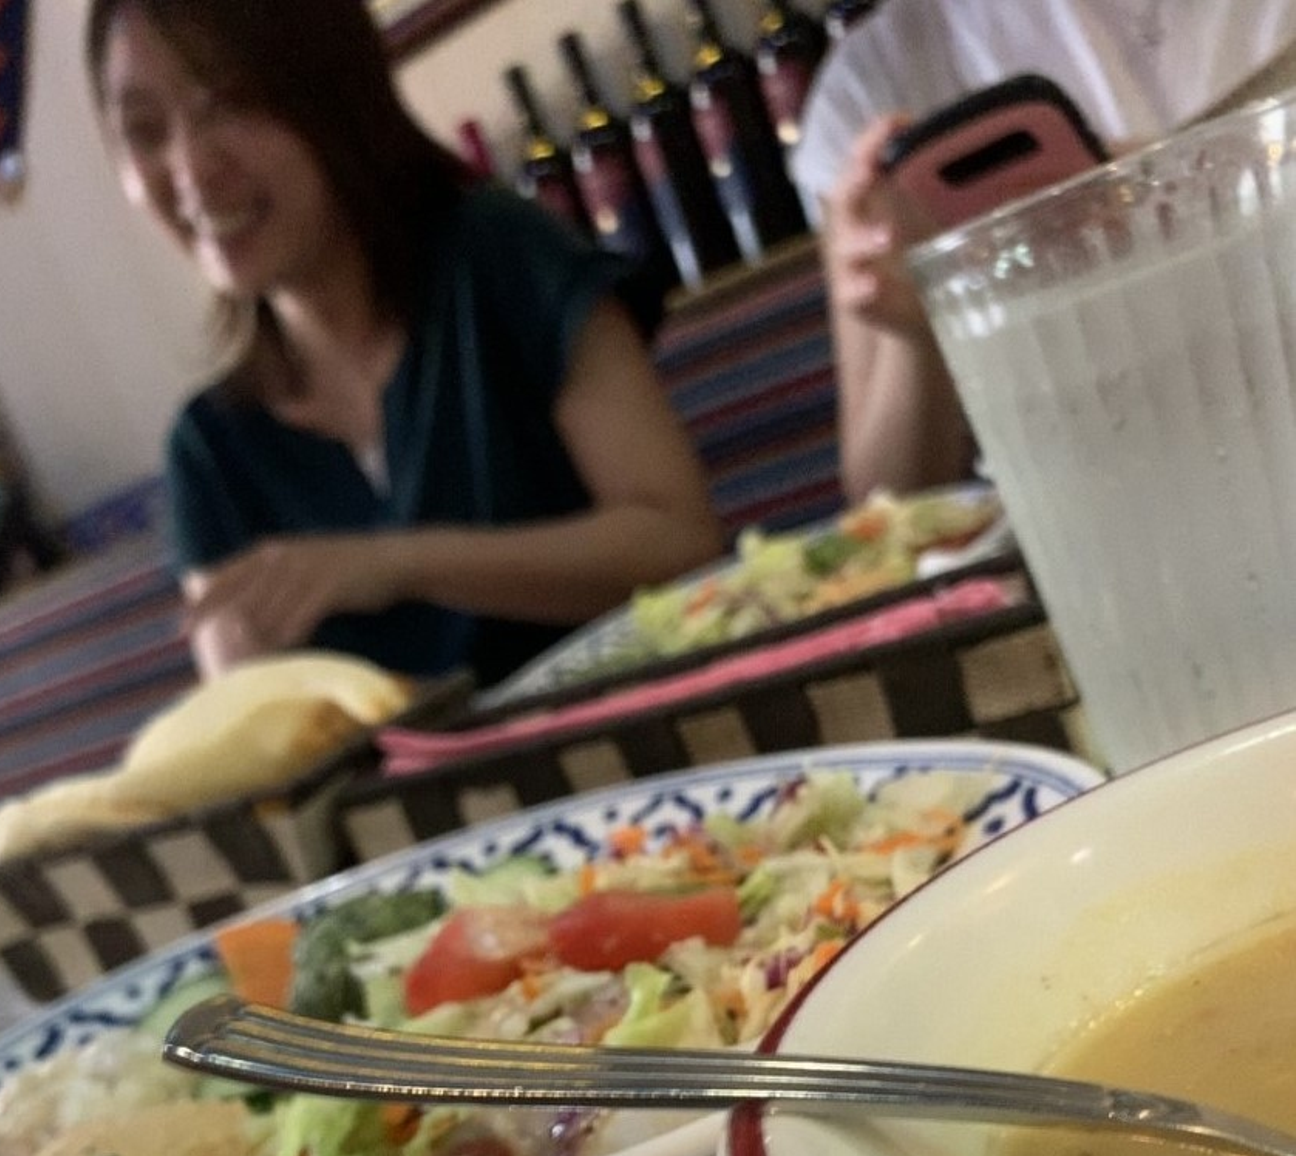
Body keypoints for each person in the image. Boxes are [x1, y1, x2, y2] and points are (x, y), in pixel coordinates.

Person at [84, 0, 724, 688]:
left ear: (335, 94)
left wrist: (395, 565)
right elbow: (258, 716)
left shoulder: (501, 256)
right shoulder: (209, 452)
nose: (190, 169)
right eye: (144, 132)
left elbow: (681, 544)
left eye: (231, 102)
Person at [791, 0, 1296, 503]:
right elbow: (887, 499)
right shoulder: (867, 81)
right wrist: (917, 332)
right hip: (1101, 496)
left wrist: (1169, 183)